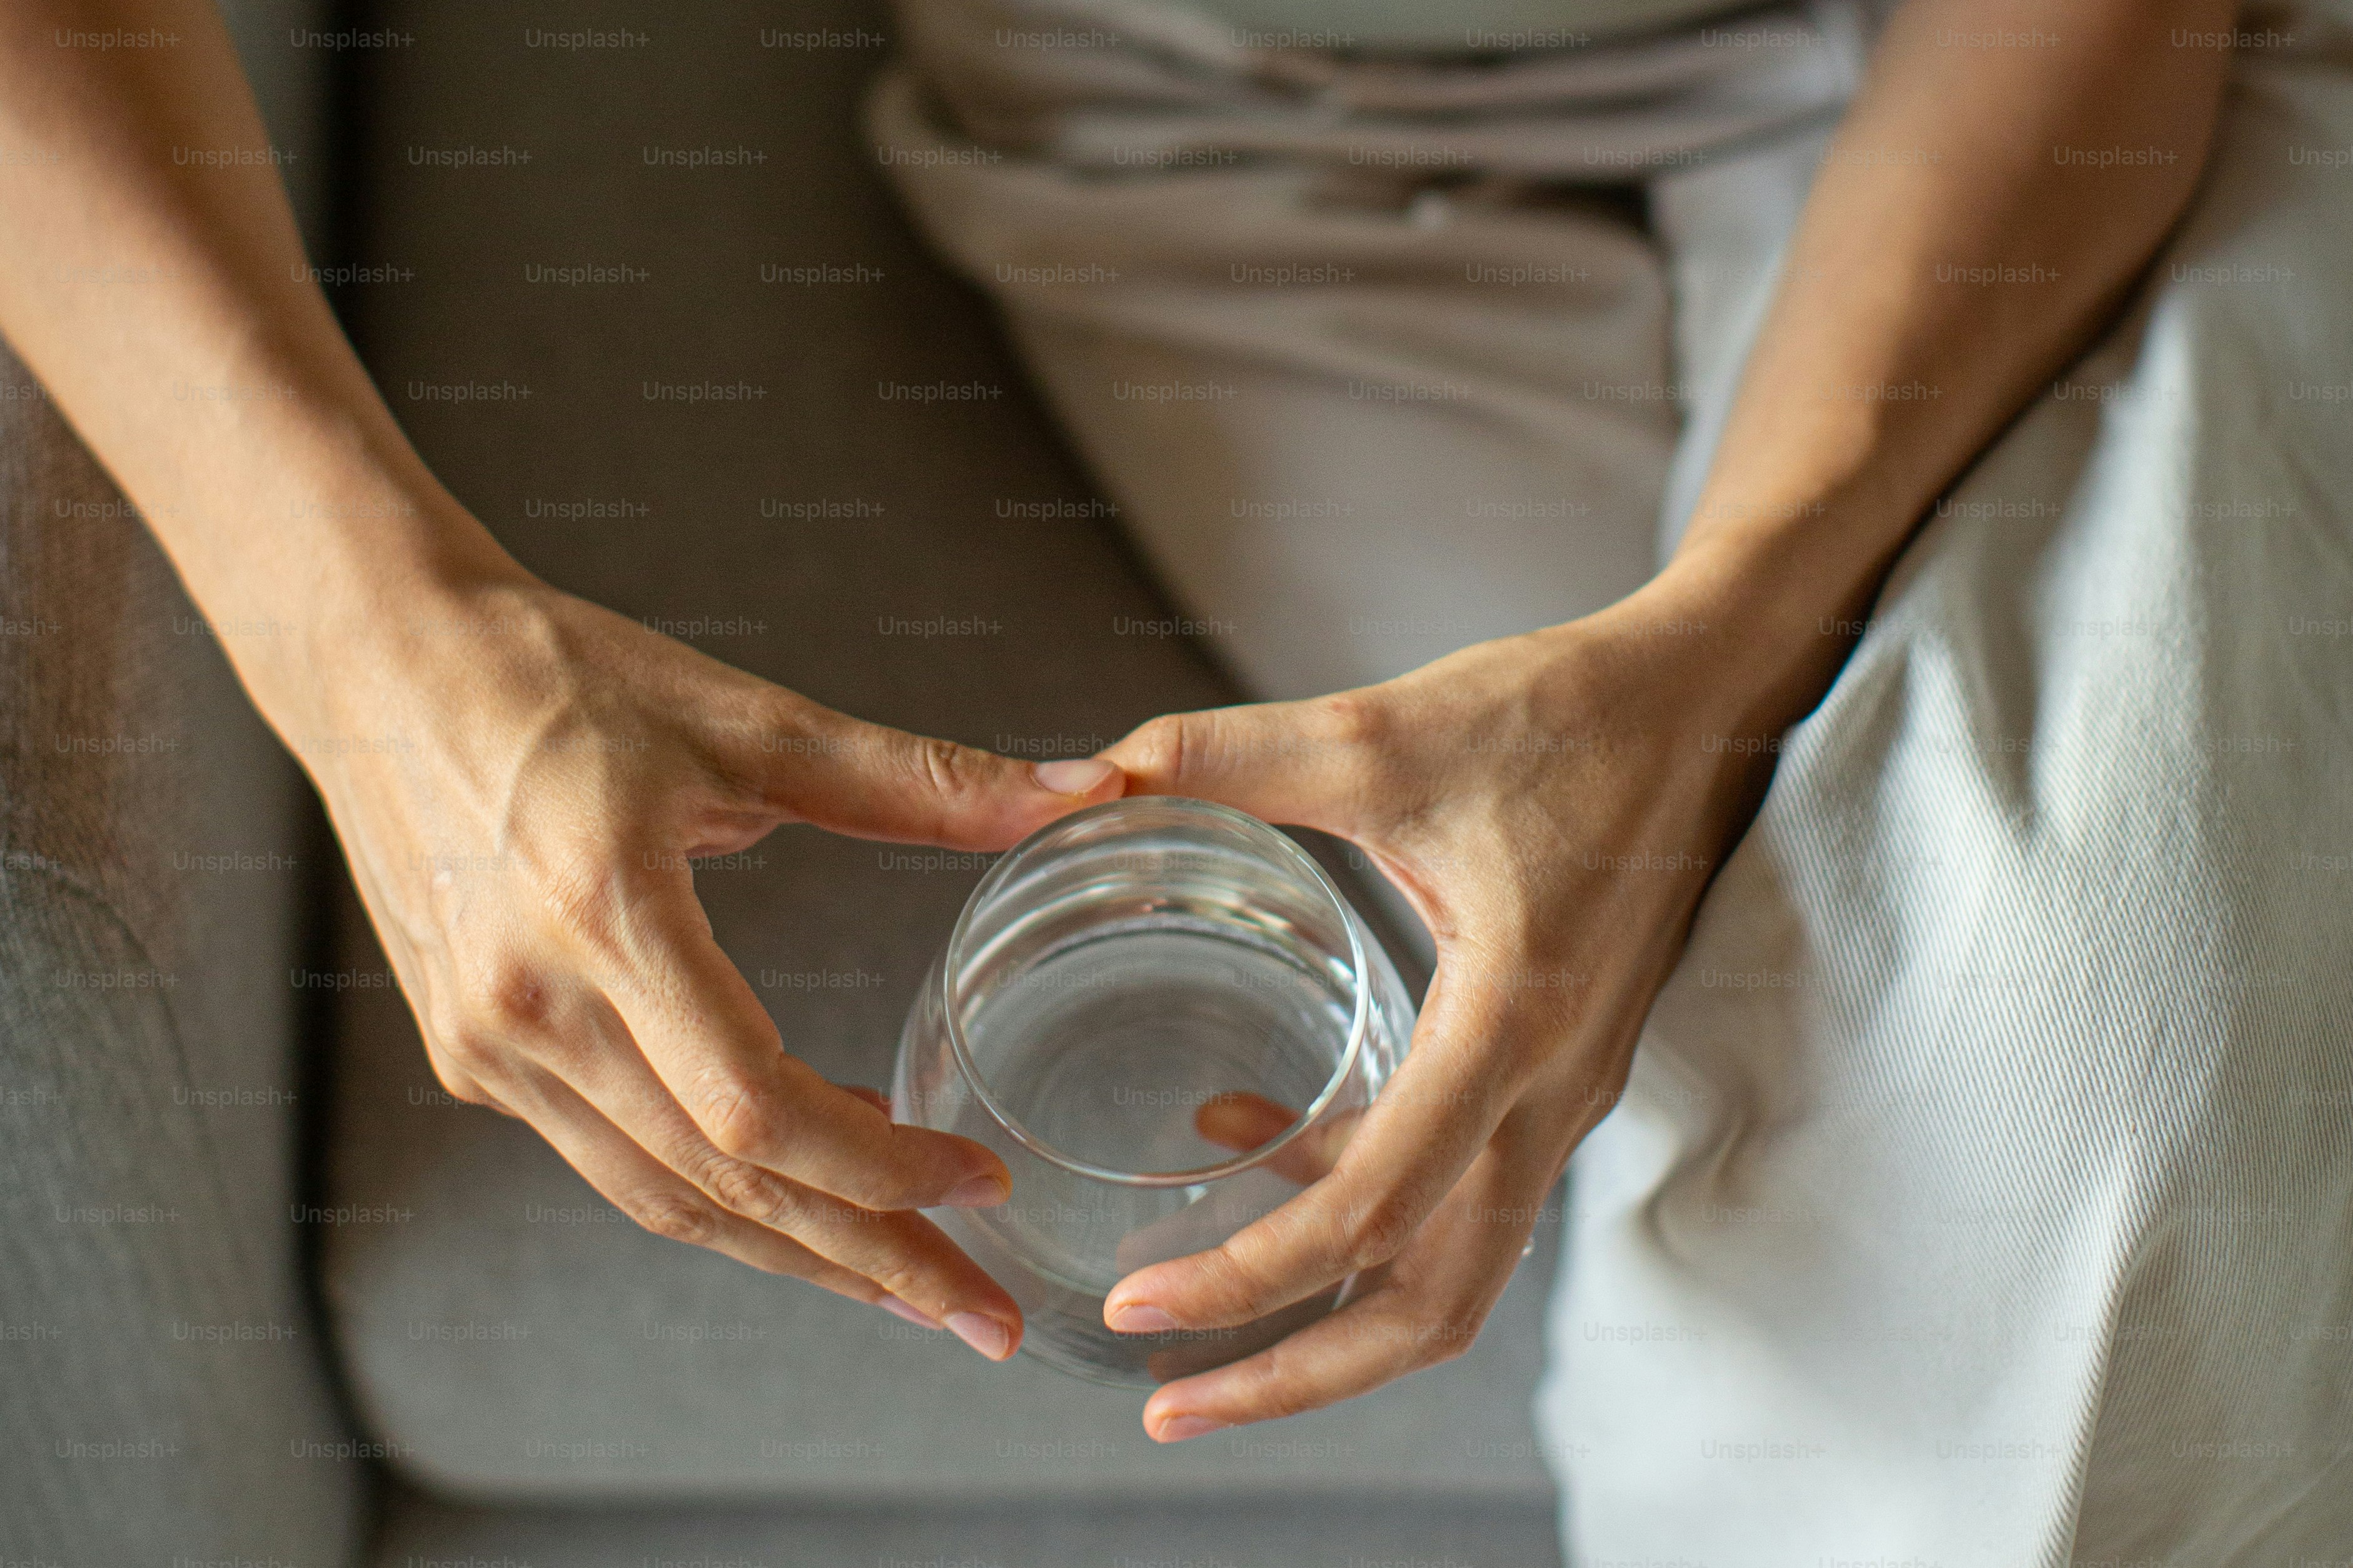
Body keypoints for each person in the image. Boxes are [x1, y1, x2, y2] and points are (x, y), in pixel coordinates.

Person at [2, 0, 2345, 1560]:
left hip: (2007, 72)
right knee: (1836, 1169)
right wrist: (367, 646)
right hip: (1206, 120)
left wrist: (1714, 651)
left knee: (2085, 1064)